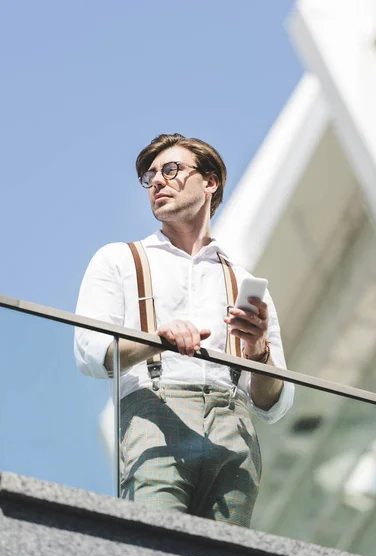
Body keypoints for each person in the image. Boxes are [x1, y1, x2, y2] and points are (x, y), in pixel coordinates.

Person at [74, 133, 294, 527]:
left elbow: (273, 405)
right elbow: (90, 352)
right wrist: (155, 341)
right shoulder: (120, 260)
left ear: (209, 182)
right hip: (154, 419)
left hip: (234, 428)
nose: (157, 181)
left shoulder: (243, 282)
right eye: (151, 175)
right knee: (154, 550)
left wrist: (260, 353)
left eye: (171, 170)